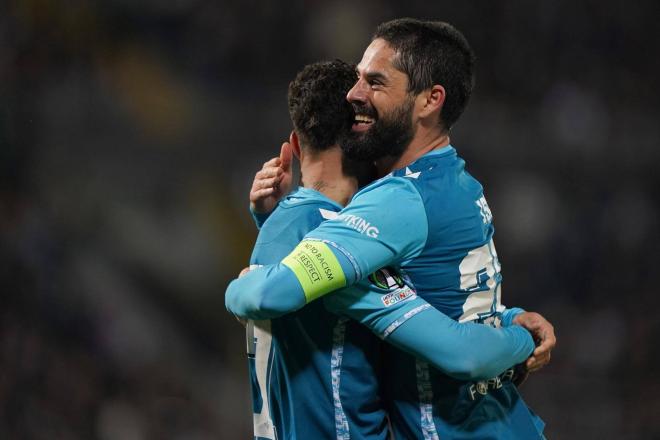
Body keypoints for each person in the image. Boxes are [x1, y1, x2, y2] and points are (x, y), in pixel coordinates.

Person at [227, 19, 555, 438]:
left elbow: (272, 293)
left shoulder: (395, 203)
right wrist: (511, 321)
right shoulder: (456, 180)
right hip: (506, 423)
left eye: (375, 82)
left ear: (430, 100)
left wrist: (240, 285)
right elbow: (447, 294)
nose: (354, 94)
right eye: (358, 78)